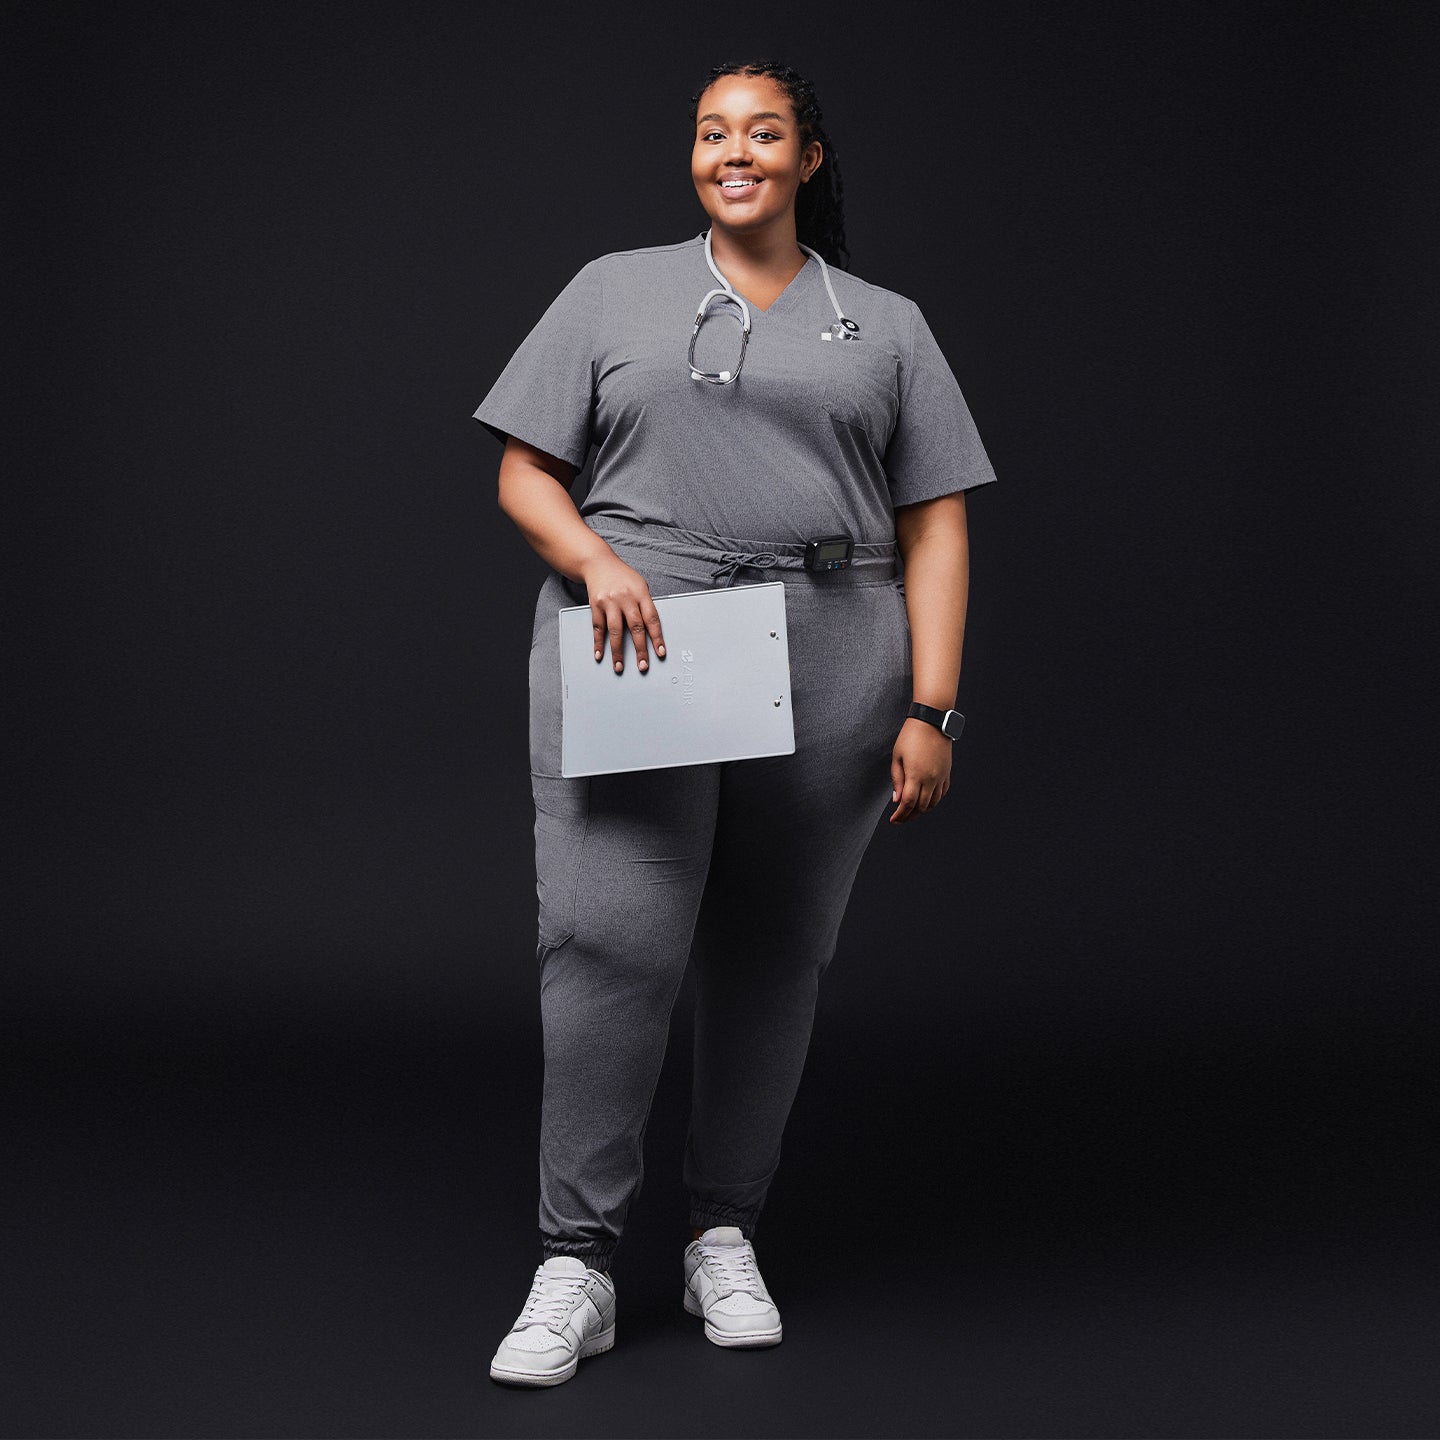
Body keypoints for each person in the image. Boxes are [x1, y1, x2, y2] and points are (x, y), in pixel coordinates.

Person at [474, 58, 998, 1388]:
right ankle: (576, 1263)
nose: (735, 153)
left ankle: (723, 1232)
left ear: (809, 158)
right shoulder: (613, 291)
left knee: (774, 954)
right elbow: (523, 470)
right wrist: (596, 559)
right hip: (645, 633)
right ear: (694, 157)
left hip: (836, 647)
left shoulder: (883, 325)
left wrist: (931, 702)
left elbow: (937, 521)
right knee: (609, 945)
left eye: (764, 132)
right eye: (713, 134)